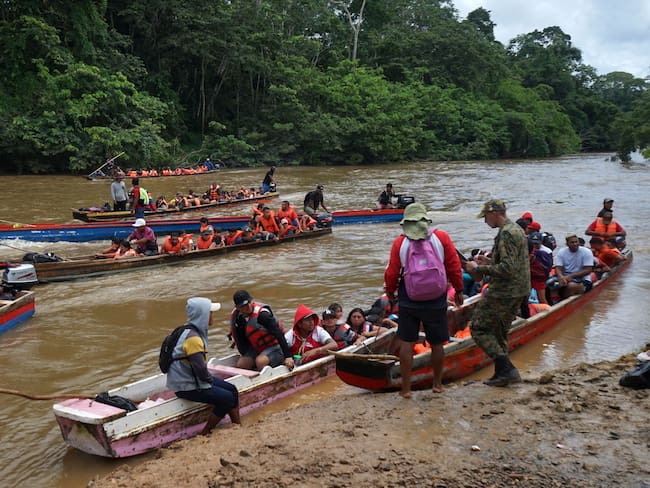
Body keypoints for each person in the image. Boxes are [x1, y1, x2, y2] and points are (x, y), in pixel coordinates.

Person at [384, 202, 464, 397]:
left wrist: (391, 292)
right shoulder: (441, 237)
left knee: (407, 343)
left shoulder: (400, 243)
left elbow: (392, 272)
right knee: (437, 344)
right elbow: (454, 265)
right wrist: (459, 290)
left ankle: (406, 389)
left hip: (409, 299)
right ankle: (437, 385)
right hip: (436, 298)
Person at [463, 199, 530, 387]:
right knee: (500, 332)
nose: (485, 221)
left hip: (505, 290)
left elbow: (508, 268)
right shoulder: (516, 229)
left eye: (486, 216)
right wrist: (489, 262)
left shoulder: (507, 233)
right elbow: (513, 263)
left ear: (494, 213)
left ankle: (507, 369)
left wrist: (478, 268)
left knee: (478, 327)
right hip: (519, 289)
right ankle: (502, 373)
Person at [166, 297, 240, 435]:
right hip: (187, 386)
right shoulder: (193, 339)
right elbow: (201, 371)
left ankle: (237, 425)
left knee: (232, 389)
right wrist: (213, 383)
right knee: (227, 398)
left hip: (188, 380)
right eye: (210, 312)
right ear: (203, 315)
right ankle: (206, 432)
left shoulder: (186, 330)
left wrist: (213, 382)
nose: (212, 315)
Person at [229, 290, 294, 371]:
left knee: (260, 362)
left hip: (275, 346)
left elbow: (279, 333)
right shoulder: (238, 319)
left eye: (249, 302)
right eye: (244, 306)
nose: (248, 307)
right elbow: (241, 340)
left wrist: (288, 356)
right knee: (242, 365)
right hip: (257, 348)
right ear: (238, 308)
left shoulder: (263, 315)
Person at [551, 233, 594, 299]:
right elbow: (558, 267)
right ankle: (555, 301)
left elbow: (588, 270)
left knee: (571, 286)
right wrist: (560, 276)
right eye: (572, 242)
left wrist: (571, 276)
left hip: (582, 277)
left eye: (576, 242)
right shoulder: (562, 252)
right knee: (550, 283)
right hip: (565, 276)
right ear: (567, 244)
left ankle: (564, 300)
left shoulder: (586, 252)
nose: (575, 244)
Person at [528, 231, 553, 304]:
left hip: (540, 278)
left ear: (541, 242)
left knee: (542, 299)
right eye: (533, 243)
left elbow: (548, 268)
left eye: (536, 244)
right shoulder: (527, 249)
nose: (534, 246)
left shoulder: (546, 252)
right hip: (528, 277)